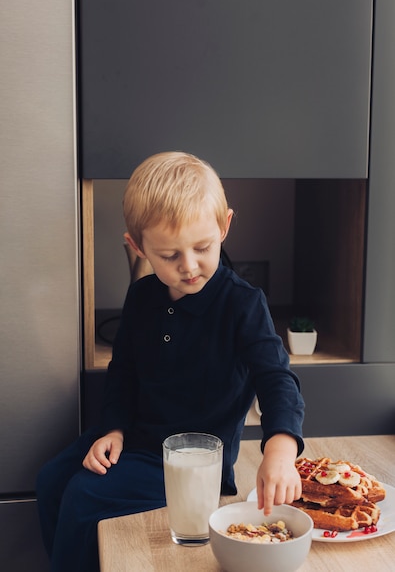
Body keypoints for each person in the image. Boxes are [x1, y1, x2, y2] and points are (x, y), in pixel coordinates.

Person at [36, 151, 304, 571]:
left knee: (83, 498)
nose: (190, 267)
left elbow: (277, 379)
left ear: (224, 227)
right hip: (137, 439)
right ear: (138, 247)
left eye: (202, 247)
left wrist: (281, 450)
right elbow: (122, 370)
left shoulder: (243, 304)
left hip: (195, 460)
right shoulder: (142, 297)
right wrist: (113, 429)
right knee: (51, 480)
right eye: (169, 256)